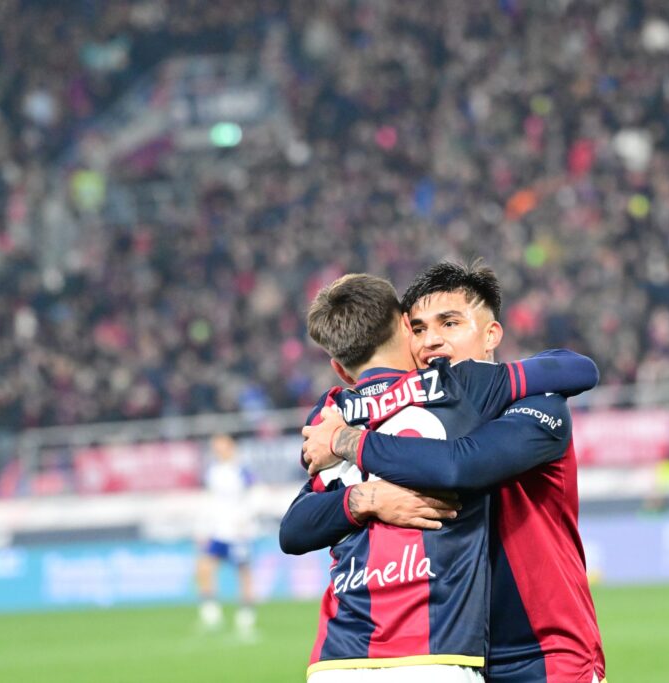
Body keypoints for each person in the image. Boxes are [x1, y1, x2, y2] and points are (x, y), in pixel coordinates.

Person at [279, 272, 598, 682]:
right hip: (454, 649)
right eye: (417, 328)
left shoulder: (538, 405)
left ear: (491, 334)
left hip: (542, 656)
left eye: (449, 323)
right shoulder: (405, 407)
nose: (431, 340)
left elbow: (464, 464)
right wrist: (367, 497)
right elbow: (296, 526)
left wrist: (346, 440)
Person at [195, 434, 258, 638]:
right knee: (204, 567)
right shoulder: (213, 472)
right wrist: (203, 527)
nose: (218, 449)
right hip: (218, 530)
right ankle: (210, 614)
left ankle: (246, 617)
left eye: (221, 446)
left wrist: (246, 519)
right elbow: (209, 501)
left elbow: (255, 495)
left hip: (238, 532)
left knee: (243, 573)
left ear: (230, 447)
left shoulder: (241, 470)